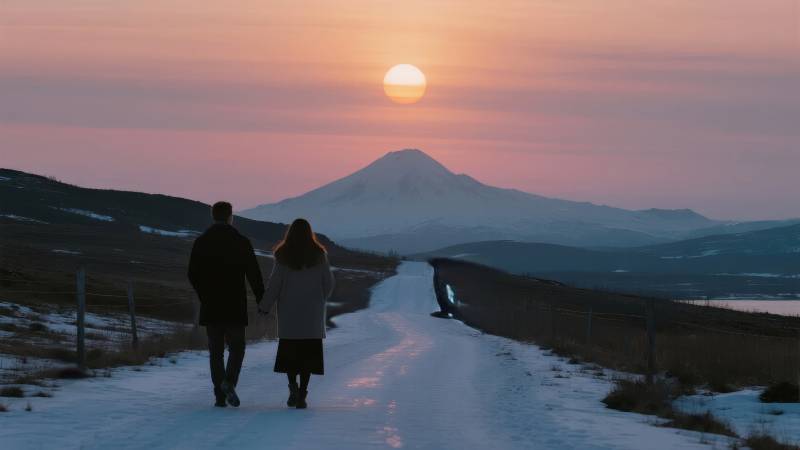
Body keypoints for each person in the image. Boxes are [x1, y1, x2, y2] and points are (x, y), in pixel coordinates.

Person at [188, 201, 264, 408]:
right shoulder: (241, 241)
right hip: (234, 304)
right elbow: (254, 275)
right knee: (237, 348)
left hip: (211, 305)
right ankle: (229, 382)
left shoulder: (202, 241)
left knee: (216, 351)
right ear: (231, 216)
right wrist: (261, 300)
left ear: (213, 216)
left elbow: (192, 274)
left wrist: (204, 294)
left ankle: (219, 395)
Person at [259, 218, 334, 409]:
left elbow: (275, 284)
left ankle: (292, 387)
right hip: (312, 314)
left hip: (289, 315)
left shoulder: (282, 255)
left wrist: (265, 306)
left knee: (290, 355)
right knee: (308, 357)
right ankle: (302, 393)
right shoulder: (319, 255)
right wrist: (319, 299)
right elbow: (329, 283)